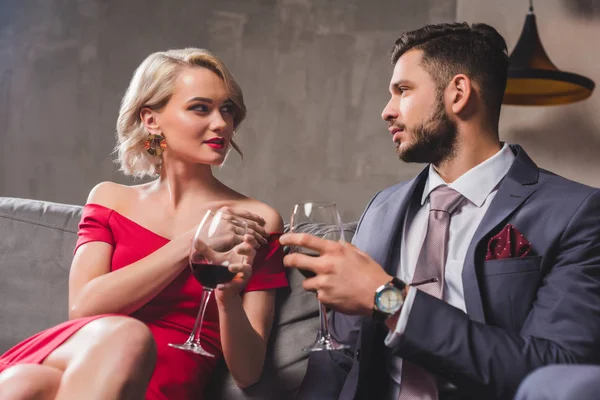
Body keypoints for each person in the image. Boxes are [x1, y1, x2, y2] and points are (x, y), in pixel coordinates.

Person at [280, 22, 600, 400]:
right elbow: (337, 357)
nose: (387, 111)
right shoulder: (382, 208)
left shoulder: (577, 212)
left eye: (402, 90)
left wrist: (389, 300)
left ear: (459, 93)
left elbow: (555, 370)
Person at [0, 48, 288, 400]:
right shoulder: (111, 198)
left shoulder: (256, 219)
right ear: (151, 119)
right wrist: (191, 243)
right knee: (30, 377)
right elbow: (85, 308)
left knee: (30, 383)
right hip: (79, 353)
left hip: (160, 384)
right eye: (201, 108)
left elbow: (248, 372)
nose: (221, 123)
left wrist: (227, 297)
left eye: (226, 109)